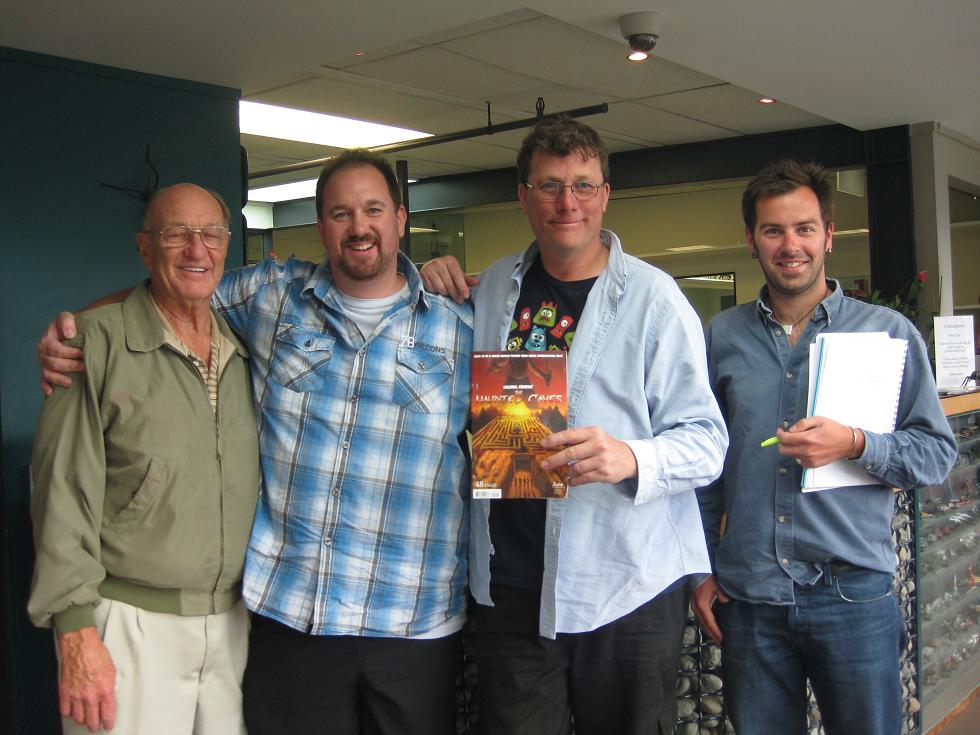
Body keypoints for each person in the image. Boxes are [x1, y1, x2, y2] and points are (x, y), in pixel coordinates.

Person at [37, 151, 473, 735]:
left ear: (398, 217)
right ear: (320, 227)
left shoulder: (463, 328)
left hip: (412, 624)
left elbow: (517, 448)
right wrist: (74, 331)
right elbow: (169, 294)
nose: (359, 226)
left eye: (373, 210)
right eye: (340, 213)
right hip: (292, 620)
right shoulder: (270, 297)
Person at [421, 117, 727, 735]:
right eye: (550, 186)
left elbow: (707, 441)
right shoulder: (492, 290)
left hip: (623, 586)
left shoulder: (654, 298)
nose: (568, 203)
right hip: (511, 586)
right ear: (523, 196)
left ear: (605, 195)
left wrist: (631, 457)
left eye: (584, 186)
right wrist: (429, 277)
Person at [692, 160, 957, 735]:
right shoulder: (720, 338)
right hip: (752, 595)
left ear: (829, 235)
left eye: (805, 228)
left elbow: (935, 453)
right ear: (752, 239)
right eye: (773, 230)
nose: (791, 245)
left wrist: (856, 444)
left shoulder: (886, 332)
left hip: (854, 594)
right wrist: (699, 568)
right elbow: (704, 467)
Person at [28, 184, 261, 734]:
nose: (196, 250)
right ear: (144, 247)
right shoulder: (93, 344)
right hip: (126, 623)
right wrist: (75, 629)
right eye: (175, 234)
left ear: (227, 245)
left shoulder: (245, 345)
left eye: (211, 234)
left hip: (232, 624)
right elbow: (60, 490)